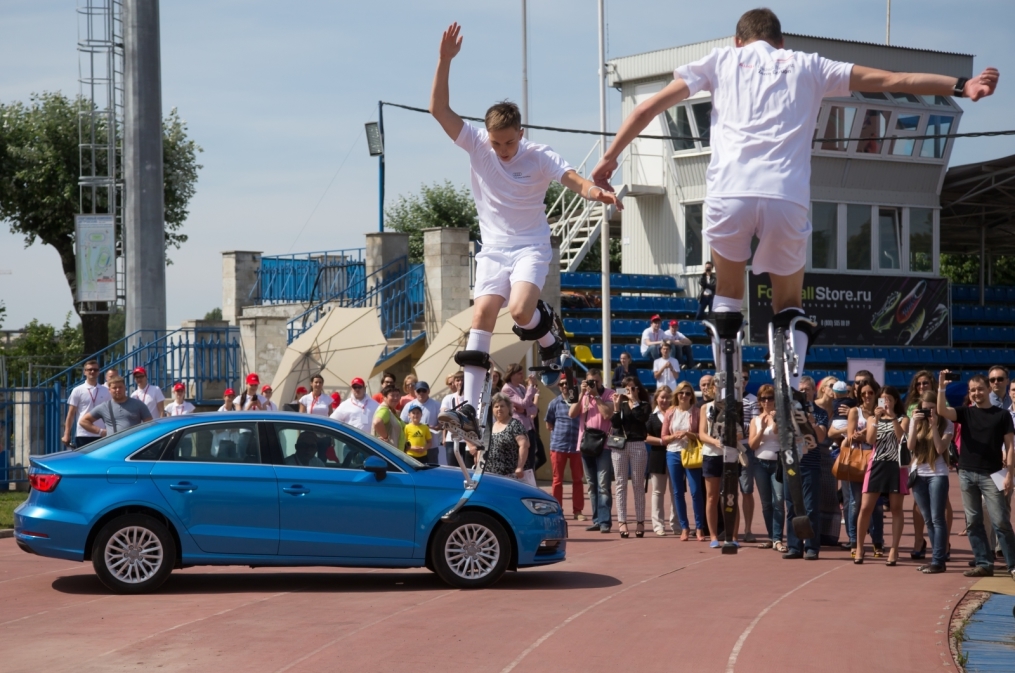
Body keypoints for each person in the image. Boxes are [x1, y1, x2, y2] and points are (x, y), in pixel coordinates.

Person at [592, 5, 998, 400]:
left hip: (729, 194)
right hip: (785, 196)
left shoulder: (720, 62)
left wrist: (610, 159)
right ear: (781, 41)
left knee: (729, 293)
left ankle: (727, 375)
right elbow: (892, 78)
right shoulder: (807, 64)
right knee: (788, 302)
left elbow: (647, 108)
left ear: (738, 41)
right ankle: (789, 380)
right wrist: (962, 85)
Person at [431, 22, 622, 441]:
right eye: (497, 144)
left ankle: (547, 327)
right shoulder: (477, 145)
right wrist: (444, 61)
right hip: (494, 249)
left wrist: (596, 193)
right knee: (480, 315)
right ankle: (468, 409)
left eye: (508, 143)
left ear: (520, 132)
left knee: (519, 313)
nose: (502, 151)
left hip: (531, 246)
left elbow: (571, 178)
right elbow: (440, 113)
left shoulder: (537, 155)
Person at [937, 370, 1015, 580]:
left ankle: (1013, 565)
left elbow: (1009, 447)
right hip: (967, 474)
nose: (976, 393)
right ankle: (983, 563)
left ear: (988, 389)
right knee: (973, 522)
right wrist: (941, 384)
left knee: (1001, 522)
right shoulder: (966, 413)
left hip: (992, 475)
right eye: (972, 390)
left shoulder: (1002, 416)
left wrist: (1009, 474)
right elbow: (941, 410)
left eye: (980, 389)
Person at [855, 386, 909, 565]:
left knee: (896, 508)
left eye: (889, 400)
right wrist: (877, 418)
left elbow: (902, 438)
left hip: (896, 465)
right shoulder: (872, 418)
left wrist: (892, 417)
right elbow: (870, 440)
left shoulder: (903, 418)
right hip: (877, 464)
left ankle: (894, 549)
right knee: (865, 507)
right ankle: (860, 546)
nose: (886, 403)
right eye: (883, 399)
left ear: (895, 401)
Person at [909, 391, 954, 574]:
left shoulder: (947, 423)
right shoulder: (917, 423)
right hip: (919, 473)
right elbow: (910, 446)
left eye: (932, 409)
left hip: (938, 474)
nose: (929, 413)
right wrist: (913, 422)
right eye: (925, 409)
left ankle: (938, 560)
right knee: (927, 519)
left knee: (937, 518)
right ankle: (937, 559)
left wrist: (934, 426)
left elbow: (940, 448)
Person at [784, 376, 827, 560]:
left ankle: (811, 547)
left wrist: (810, 422)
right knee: (792, 506)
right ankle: (794, 546)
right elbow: (779, 432)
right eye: (799, 390)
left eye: (806, 390)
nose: (803, 393)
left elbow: (821, 437)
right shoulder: (787, 410)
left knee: (810, 508)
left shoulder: (820, 412)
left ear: (813, 391)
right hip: (791, 463)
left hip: (810, 465)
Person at [569, 368, 616, 533]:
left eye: (595, 381)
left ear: (601, 380)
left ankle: (605, 521)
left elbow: (607, 415)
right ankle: (596, 520)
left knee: (603, 485)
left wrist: (596, 395)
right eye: (590, 381)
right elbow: (571, 414)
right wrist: (582, 394)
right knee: (591, 485)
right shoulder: (583, 395)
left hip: (604, 445)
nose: (593, 384)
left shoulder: (610, 394)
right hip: (586, 444)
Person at [699, 376, 743, 548]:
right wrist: (716, 442)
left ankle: (733, 536)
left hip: (730, 454)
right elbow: (702, 434)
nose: (718, 390)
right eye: (715, 387)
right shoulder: (705, 407)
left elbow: (741, 432)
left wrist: (731, 438)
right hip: (711, 454)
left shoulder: (734, 406)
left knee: (731, 495)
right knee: (712, 497)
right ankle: (713, 537)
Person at [662, 381, 704, 541]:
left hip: (691, 452)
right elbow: (664, 437)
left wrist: (689, 434)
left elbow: (701, 435)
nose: (684, 396)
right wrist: (674, 436)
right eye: (681, 393)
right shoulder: (670, 412)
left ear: (691, 396)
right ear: (677, 395)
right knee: (678, 492)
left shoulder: (696, 412)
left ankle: (699, 527)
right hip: (673, 453)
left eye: (687, 393)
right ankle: (684, 527)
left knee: (695, 491)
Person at [611, 376, 651, 538]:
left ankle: (640, 521)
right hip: (620, 445)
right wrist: (616, 406)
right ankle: (622, 521)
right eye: (627, 389)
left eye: (633, 388)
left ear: (638, 389)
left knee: (638, 484)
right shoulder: (621, 405)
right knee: (620, 484)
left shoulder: (644, 406)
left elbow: (640, 418)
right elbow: (614, 424)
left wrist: (634, 400)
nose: (630, 391)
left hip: (637, 444)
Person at [749, 385, 785, 552]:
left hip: (777, 462)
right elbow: (753, 445)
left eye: (770, 398)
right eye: (763, 398)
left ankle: (778, 538)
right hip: (760, 463)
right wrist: (762, 429)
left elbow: (779, 433)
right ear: (759, 401)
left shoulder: (780, 417)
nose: (767, 401)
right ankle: (772, 537)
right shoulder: (755, 420)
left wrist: (776, 419)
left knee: (778, 499)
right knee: (766, 503)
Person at [545, 374, 584, 519]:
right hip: (558, 446)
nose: (565, 387)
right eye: (562, 384)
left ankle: (578, 511)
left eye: (568, 384)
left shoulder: (580, 402)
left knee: (578, 479)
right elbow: (548, 423)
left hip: (576, 447)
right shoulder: (554, 403)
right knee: (557, 480)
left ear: (574, 385)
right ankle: (557, 510)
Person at [484, 392, 534, 486]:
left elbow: (524, 445)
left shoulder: (515, 424)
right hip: (491, 474)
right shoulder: (490, 427)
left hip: (512, 475)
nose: (499, 409)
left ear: (508, 408)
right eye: (496, 406)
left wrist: (520, 467)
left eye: (502, 406)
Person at [79, 376, 152, 437]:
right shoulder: (104, 406)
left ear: (125, 388)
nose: (118, 390)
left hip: (134, 445)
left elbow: (150, 424)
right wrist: (100, 431)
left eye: (120, 387)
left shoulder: (138, 404)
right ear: (109, 390)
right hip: (113, 446)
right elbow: (83, 421)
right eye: (114, 388)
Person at [645, 386, 674, 536]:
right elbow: (646, 436)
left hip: (676, 455)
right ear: (656, 398)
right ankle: (658, 525)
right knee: (657, 492)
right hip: (657, 456)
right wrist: (663, 441)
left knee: (676, 492)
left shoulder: (676, 414)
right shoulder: (651, 416)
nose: (664, 400)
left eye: (667, 397)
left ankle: (676, 524)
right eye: (661, 397)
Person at [62, 359, 111, 448]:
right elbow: (71, 414)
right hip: (83, 434)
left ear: (99, 372)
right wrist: (66, 434)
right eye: (90, 370)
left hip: (101, 433)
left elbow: (110, 413)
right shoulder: (78, 390)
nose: (92, 372)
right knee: (83, 461)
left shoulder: (105, 391)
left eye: (95, 370)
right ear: (85, 372)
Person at [502, 363, 540, 475]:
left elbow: (534, 408)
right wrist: (531, 388)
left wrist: (524, 411)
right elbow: (524, 403)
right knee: (522, 461)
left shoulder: (522, 388)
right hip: (519, 429)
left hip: (530, 428)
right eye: (519, 373)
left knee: (531, 462)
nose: (522, 375)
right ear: (512, 374)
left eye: (522, 373)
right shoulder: (507, 389)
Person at [401, 381, 442, 464]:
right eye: (419, 391)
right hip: (412, 449)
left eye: (424, 391)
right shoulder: (409, 405)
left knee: (432, 471)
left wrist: (436, 427)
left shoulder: (437, 405)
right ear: (415, 392)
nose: (421, 393)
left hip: (431, 446)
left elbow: (442, 423)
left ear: (428, 391)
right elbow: (403, 423)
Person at [739, 369, 759, 543]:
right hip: (727, 448)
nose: (742, 381)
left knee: (746, 489)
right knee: (726, 490)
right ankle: (732, 529)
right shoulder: (725, 399)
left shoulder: (752, 400)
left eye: (745, 378)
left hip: (745, 448)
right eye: (739, 378)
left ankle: (747, 529)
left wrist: (735, 429)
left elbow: (753, 425)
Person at [439, 372, 471, 467]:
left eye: (462, 380)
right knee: (452, 468)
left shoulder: (472, 397)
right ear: (454, 382)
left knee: (468, 469)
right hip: (452, 438)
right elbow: (443, 416)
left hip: (469, 439)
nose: (460, 382)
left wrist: (453, 415)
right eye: (457, 380)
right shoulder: (448, 398)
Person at [373, 385, 406, 451]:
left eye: (397, 395)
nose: (396, 398)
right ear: (384, 397)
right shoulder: (384, 410)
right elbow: (377, 422)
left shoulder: (391, 410)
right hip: (388, 453)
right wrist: (386, 438)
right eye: (392, 395)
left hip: (394, 452)